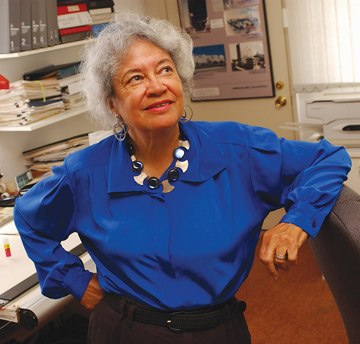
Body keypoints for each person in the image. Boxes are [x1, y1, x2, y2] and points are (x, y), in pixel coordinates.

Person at [14, 11, 351, 344]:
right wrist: (72, 279)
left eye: (165, 70)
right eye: (135, 78)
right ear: (112, 104)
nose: (157, 86)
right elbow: (30, 217)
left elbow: (327, 159)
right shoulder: (84, 173)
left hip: (219, 330)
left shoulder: (236, 148)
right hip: (123, 330)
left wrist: (296, 221)